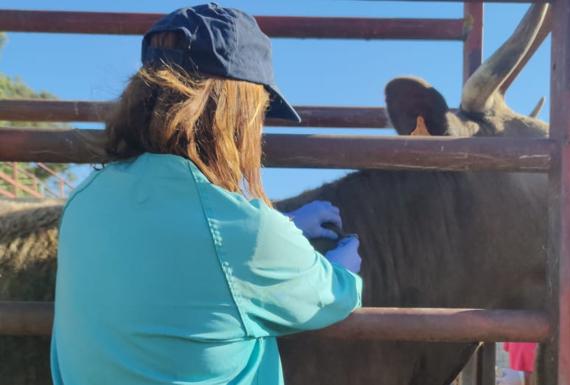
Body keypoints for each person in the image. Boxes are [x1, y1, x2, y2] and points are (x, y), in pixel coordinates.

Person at [50, 4, 363, 385]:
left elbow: (175, 251)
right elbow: (329, 295)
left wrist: (284, 224)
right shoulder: (244, 234)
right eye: (260, 110)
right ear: (236, 111)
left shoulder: (84, 201)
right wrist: (345, 269)